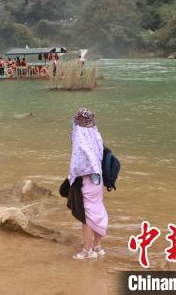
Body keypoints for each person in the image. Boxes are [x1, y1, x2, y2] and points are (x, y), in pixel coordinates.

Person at [68, 108, 108, 260]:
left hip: (86, 178)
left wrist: (73, 176)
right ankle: (98, 247)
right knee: (97, 210)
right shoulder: (95, 133)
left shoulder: (80, 134)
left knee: (87, 216)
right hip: (98, 178)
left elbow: (81, 157)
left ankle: (87, 250)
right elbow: (98, 154)